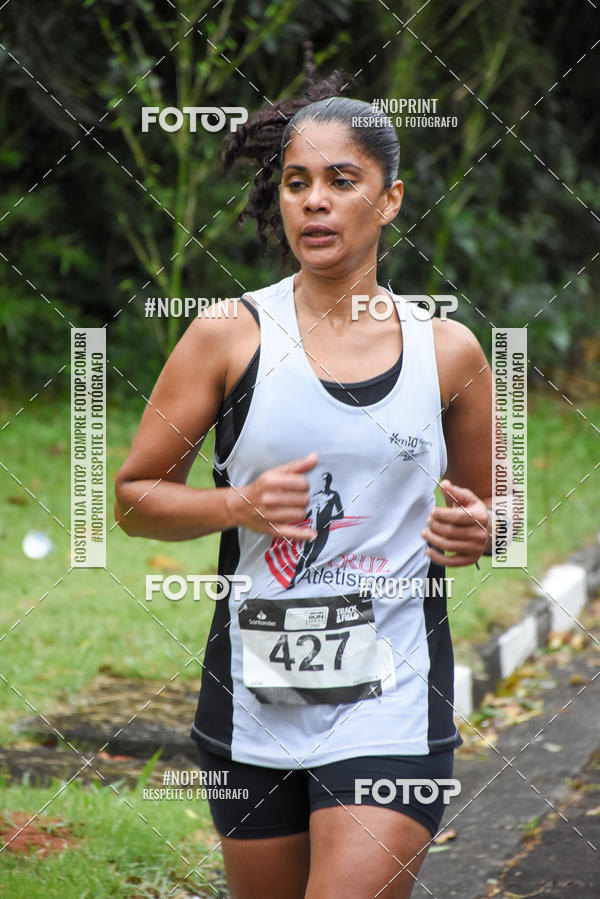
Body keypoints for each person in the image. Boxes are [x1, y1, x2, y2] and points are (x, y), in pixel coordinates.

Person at [114, 64, 493, 899]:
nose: (314, 201)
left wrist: (483, 530)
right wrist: (236, 504)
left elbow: (492, 509)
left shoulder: (449, 352)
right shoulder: (228, 335)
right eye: (296, 183)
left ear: (390, 200)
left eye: (341, 181)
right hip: (252, 700)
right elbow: (136, 497)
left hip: (392, 700)